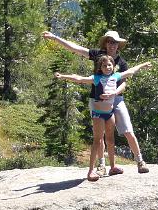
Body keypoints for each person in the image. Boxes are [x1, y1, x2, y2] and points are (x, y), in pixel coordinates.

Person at [43, 29, 151, 175]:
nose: (112, 45)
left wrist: (114, 93)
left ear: (118, 45)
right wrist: (55, 38)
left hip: (116, 99)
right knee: (99, 136)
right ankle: (101, 165)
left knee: (127, 130)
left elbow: (124, 83)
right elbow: (76, 48)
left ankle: (139, 161)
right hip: (97, 101)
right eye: (110, 41)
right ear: (105, 43)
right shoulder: (97, 55)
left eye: (115, 42)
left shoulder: (122, 63)